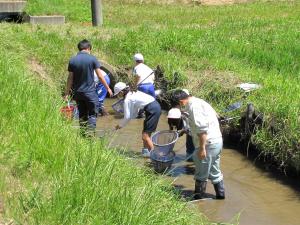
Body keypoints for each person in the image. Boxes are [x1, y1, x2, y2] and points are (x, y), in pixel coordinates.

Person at [172, 89, 225, 200]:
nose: (181, 109)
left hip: (207, 144)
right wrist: (186, 131)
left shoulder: (193, 107)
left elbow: (202, 131)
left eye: (179, 106)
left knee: (201, 174)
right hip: (217, 141)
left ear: (181, 102)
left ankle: (198, 201)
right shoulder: (198, 101)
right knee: (215, 172)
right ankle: (221, 197)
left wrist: (202, 149)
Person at [64, 39, 113, 136]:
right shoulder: (92, 59)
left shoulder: (72, 60)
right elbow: (100, 76)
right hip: (90, 93)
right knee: (92, 114)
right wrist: (108, 88)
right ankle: (90, 135)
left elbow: (70, 78)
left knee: (82, 115)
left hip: (78, 93)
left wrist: (66, 93)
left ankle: (83, 135)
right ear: (89, 48)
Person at [114, 82, 161, 157]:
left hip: (152, 110)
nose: (118, 96)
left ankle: (156, 156)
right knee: (145, 133)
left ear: (122, 92)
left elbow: (127, 117)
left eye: (118, 94)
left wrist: (120, 125)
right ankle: (146, 153)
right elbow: (135, 110)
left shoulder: (127, 99)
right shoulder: (133, 92)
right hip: (154, 106)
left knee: (145, 136)